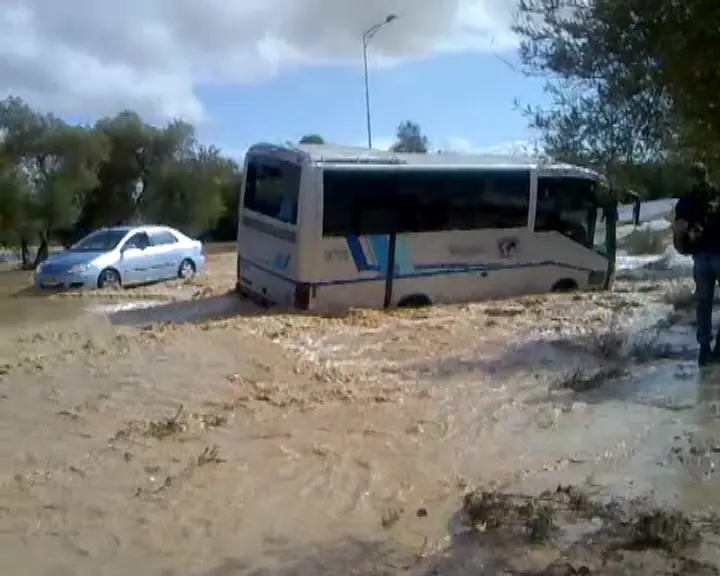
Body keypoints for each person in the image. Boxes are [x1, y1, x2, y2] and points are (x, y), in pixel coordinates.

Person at [673, 162, 720, 365]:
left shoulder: (685, 201)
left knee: (704, 302)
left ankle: (703, 348)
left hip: (700, 257)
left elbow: (679, 230)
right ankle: (719, 346)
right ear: (706, 175)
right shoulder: (717, 195)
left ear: (691, 177)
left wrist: (682, 249)